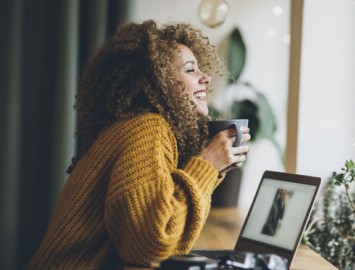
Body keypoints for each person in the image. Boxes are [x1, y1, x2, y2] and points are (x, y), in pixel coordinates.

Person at [26, 20, 250, 269]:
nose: (205, 77)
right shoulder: (146, 129)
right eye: (190, 70)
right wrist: (207, 165)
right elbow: (151, 246)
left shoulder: (139, 126)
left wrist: (214, 168)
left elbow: (164, 232)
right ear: (158, 81)